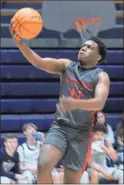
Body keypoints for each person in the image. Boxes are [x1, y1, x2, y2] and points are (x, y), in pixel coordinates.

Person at [10, 24, 110, 184]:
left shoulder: (101, 76)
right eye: (83, 46)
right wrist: (20, 43)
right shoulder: (66, 65)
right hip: (61, 127)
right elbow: (39, 62)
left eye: (90, 48)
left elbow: (100, 102)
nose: (83, 48)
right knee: (43, 165)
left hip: (82, 134)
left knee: (70, 182)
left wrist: (74, 104)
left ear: (98, 57)